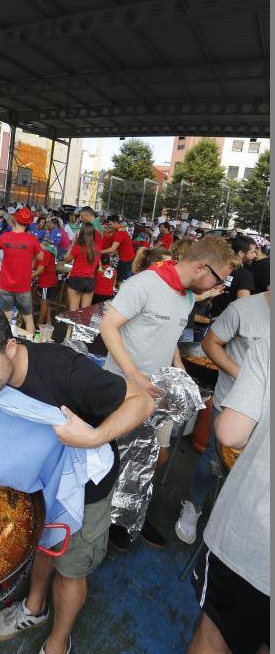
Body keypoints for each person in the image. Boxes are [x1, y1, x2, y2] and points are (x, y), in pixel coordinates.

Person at [0, 302, 153, 654]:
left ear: (10, 347)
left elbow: (142, 401)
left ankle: (57, 645)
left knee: (70, 569)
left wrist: (93, 437)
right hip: (39, 482)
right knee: (43, 542)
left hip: (84, 489)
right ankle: (34, 606)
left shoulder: (64, 370)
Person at [100, 236, 235, 550]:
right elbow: (108, 327)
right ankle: (106, 516)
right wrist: (134, 374)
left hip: (158, 391)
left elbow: (169, 333)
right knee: (115, 457)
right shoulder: (144, 284)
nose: (221, 286)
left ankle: (132, 510)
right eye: (219, 279)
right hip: (123, 386)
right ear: (202, 267)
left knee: (155, 456)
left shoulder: (187, 296)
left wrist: (178, 365)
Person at [185, 338, 270, 654]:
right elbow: (211, 342)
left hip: (255, 536)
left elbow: (231, 433)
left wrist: (222, 418)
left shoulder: (268, 346)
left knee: (214, 638)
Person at [175, 289, 270, 545]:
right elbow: (209, 344)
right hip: (232, 401)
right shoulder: (244, 309)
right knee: (213, 459)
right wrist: (245, 377)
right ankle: (194, 506)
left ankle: (234, 516)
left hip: (267, 414)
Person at [0, 207, 42, 334]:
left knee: (7, 317)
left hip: (5, 284)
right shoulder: (32, 239)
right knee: (28, 318)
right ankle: (31, 347)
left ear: (15, 219)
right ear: (28, 224)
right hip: (23, 285)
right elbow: (41, 257)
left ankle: (3, 345)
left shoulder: (5, 237)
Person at [210, 235, 258, 317]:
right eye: (252, 252)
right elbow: (243, 306)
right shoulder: (245, 275)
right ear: (241, 253)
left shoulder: (218, 266)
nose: (255, 256)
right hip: (227, 322)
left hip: (210, 316)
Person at [63, 222, 98, 311]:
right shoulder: (97, 248)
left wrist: (73, 243)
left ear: (81, 232)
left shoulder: (78, 246)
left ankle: (71, 326)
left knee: (73, 313)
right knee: (85, 314)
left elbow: (66, 259)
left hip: (76, 279)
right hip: (90, 280)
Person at [100, 216, 135, 282]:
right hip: (125, 258)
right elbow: (117, 248)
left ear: (115, 222)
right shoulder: (121, 231)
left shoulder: (120, 232)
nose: (110, 226)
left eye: (110, 224)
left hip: (125, 259)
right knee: (118, 277)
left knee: (118, 279)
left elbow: (112, 249)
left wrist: (98, 252)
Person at [32, 240, 58, 325]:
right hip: (44, 280)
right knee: (45, 301)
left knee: (44, 301)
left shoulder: (46, 252)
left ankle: (39, 324)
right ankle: (48, 321)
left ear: (43, 244)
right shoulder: (42, 252)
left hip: (46, 281)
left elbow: (40, 270)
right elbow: (33, 266)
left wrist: (29, 276)